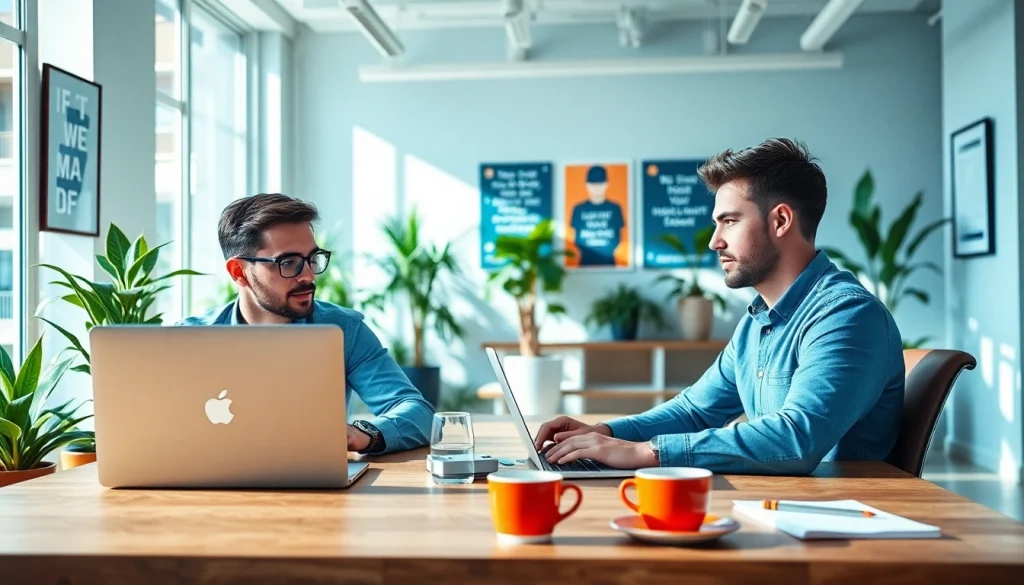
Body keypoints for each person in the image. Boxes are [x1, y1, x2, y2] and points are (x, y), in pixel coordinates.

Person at [535, 138, 905, 475]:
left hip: (842, 522)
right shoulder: (758, 322)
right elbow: (694, 411)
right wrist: (603, 433)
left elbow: (796, 439)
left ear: (780, 220)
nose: (715, 242)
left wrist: (647, 452)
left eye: (729, 221)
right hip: (781, 506)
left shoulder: (846, 315)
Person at [177, 193, 434, 455]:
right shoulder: (188, 339)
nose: (308, 275)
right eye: (288, 262)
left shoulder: (343, 330)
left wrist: (364, 434)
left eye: (312, 258)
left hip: (314, 488)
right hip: (207, 485)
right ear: (238, 272)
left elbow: (416, 411)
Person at [569, 165, 625, 266]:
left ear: (606, 185)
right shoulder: (578, 209)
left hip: (609, 263)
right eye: (593, 184)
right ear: (587, 185)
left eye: (600, 184)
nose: (596, 188)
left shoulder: (615, 208)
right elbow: (575, 238)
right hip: (584, 263)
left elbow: (618, 236)